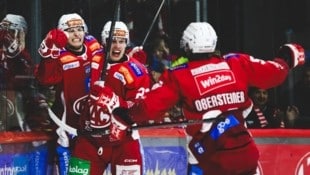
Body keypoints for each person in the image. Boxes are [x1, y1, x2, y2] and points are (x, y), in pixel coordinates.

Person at [95, 22, 305, 175]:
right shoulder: (235, 63)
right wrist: (287, 58)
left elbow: (149, 108)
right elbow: (275, 73)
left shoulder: (180, 74)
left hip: (210, 162)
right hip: (246, 159)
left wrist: (125, 116)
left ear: (186, 47)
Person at [68, 21, 150, 175]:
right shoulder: (92, 57)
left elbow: (141, 111)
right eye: (113, 41)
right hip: (88, 140)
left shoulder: (137, 72)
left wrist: (116, 104)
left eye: (122, 41)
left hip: (123, 142)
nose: (117, 46)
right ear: (104, 42)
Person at [35, 13, 103, 175]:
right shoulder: (60, 55)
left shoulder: (93, 45)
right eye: (70, 30)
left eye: (79, 29)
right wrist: (48, 56)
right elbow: (45, 79)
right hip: (69, 129)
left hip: (94, 125)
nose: (76, 34)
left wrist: (128, 59)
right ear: (62, 34)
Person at [0, 14, 36, 131]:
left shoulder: (24, 56)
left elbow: (27, 77)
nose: (7, 36)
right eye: (4, 31)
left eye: (10, 32)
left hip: (16, 102)